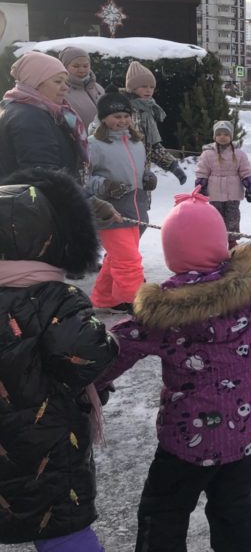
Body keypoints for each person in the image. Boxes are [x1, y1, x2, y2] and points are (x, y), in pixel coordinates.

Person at [98, 188, 251, 551]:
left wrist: (87, 376)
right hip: (246, 430)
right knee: (235, 508)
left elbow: (114, 351)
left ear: (172, 255)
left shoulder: (162, 314)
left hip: (188, 439)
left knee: (162, 511)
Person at [0, 168, 118, 552]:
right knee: (62, 533)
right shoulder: (56, 297)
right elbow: (84, 357)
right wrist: (109, 340)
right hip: (45, 449)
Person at [86, 91, 150, 311]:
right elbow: (83, 177)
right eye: (116, 116)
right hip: (110, 211)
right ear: (103, 118)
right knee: (129, 261)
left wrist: (147, 178)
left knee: (117, 258)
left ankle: (104, 299)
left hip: (137, 209)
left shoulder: (136, 141)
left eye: (125, 115)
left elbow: (137, 170)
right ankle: (136, 302)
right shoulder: (93, 144)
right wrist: (104, 185)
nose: (122, 120)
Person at [0, 50, 89, 179]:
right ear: (34, 83)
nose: (65, 88)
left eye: (66, 82)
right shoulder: (29, 118)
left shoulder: (18, 107)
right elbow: (44, 176)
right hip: (43, 197)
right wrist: (78, 198)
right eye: (58, 82)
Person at [124, 60, 188, 187]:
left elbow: (152, 146)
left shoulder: (148, 111)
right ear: (132, 88)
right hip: (125, 174)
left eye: (151, 87)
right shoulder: (125, 110)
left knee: (141, 206)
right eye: (144, 86)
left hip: (144, 174)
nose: (149, 90)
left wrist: (172, 165)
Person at [195, 120, 251, 249]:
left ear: (231, 136)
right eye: (219, 134)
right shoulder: (207, 154)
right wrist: (200, 187)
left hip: (233, 193)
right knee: (216, 218)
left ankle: (232, 242)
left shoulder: (239, 154)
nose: (222, 137)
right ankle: (216, 242)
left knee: (232, 217)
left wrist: (250, 187)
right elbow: (202, 172)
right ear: (214, 136)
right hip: (214, 193)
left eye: (226, 134)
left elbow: (245, 171)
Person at [60, 45, 106, 129]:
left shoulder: (98, 88)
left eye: (85, 66)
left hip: (103, 139)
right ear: (64, 66)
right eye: (76, 66)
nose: (81, 70)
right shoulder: (61, 91)